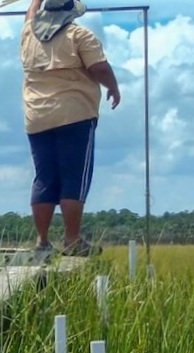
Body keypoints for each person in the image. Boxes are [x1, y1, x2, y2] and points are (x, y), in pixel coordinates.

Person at [21, 0, 120, 256]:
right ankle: (72, 239)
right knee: (73, 178)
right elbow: (99, 67)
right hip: (74, 113)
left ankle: (41, 240)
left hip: (37, 117)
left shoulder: (29, 34)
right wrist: (113, 86)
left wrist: (36, 0)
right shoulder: (80, 35)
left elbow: (30, 16)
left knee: (44, 178)